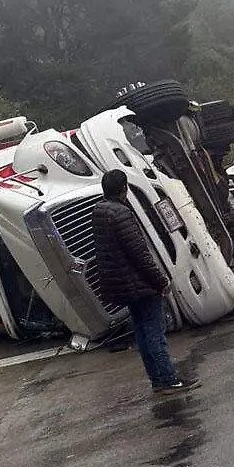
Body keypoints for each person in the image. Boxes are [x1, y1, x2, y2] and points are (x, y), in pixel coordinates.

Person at [91, 169, 199, 395]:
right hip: (140, 284)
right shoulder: (122, 214)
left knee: (142, 333)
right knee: (154, 333)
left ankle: (157, 379)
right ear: (124, 189)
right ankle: (169, 379)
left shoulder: (99, 212)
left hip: (124, 286)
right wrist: (160, 281)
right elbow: (139, 254)